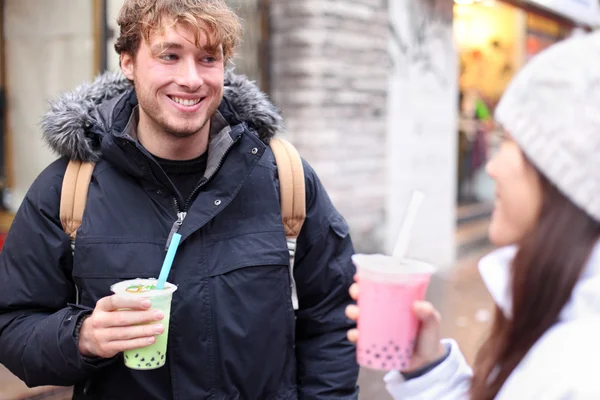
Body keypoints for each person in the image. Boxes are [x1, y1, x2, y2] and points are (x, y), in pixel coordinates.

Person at [0, 1, 359, 399]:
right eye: (169, 56)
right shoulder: (68, 189)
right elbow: (12, 325)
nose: (191, 79)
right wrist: (80, 336)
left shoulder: (284, 178)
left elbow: (333, 318)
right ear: (128, 62)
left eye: (208, 58)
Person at [347, 31, 600, 399]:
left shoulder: (579, 368)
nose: (493, 166)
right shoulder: (561, 317)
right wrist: (427, 368)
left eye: (510, 141)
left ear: (563, 168)